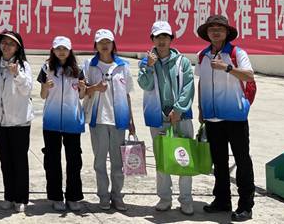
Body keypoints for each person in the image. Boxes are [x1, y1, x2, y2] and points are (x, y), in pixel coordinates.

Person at [195, 14, 255, 222]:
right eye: (212, 29)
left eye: (220, 28)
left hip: (235, 116)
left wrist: (227, 67)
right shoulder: (202, 55)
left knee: (242, 160)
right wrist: (201, 108)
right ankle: (222, 200)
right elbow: (202, 81)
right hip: (212, 117)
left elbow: (249, 76)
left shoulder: (237, 53)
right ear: (207, 33)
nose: (216, 32)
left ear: (227, 32)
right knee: (219, 162)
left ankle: (245, 206)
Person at [137, 21, 195, 216]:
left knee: (184, 157)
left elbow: (188, 87)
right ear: (152, 39)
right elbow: (145, 85)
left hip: (181, 117)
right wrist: (149, 66)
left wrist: (178, 110)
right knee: (162, 159)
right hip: (158, 117)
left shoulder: (182, 62)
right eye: (158, 37)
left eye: (165, 37)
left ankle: (186, 199)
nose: (162, 40)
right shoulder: (146, 62)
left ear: (171, 39)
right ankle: (164, 198)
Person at [83, 28, 136, 212]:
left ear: (113, 44)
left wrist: (131, 120)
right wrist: (95, 88)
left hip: (119, 120)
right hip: (97, 119)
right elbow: (82, 91)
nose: (104, 45)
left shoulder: (123, 65)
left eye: (108, 42)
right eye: (101, 42)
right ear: (95, 45)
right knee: (99, 162)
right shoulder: (89, 65)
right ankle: (103, 196)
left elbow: (127, 94)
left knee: (118, 162)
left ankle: (117, 196)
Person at [0, 30, 33, 213]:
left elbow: (27, 90)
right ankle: (9, 196)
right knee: (6, 161)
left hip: (19, 122)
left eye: (11, 43)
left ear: (18, 47)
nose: (6, 46)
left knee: (20, 161)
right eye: (4, 43)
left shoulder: (23, 66)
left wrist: (17, 74)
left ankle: (21, 198)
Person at [38, 36, 86, 213]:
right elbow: (42, 95)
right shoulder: (47, 68)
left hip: (72, 121)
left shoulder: (78, 70)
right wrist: (45, 87)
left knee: (74, 160)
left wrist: (83, 89)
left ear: (70, 50)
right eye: (58, 48)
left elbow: (81, 95)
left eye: (65, 48)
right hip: (51, 121)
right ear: (53, 50)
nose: (61, 52)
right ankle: (56, 196)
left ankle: (73, 196)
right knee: (52, 160)